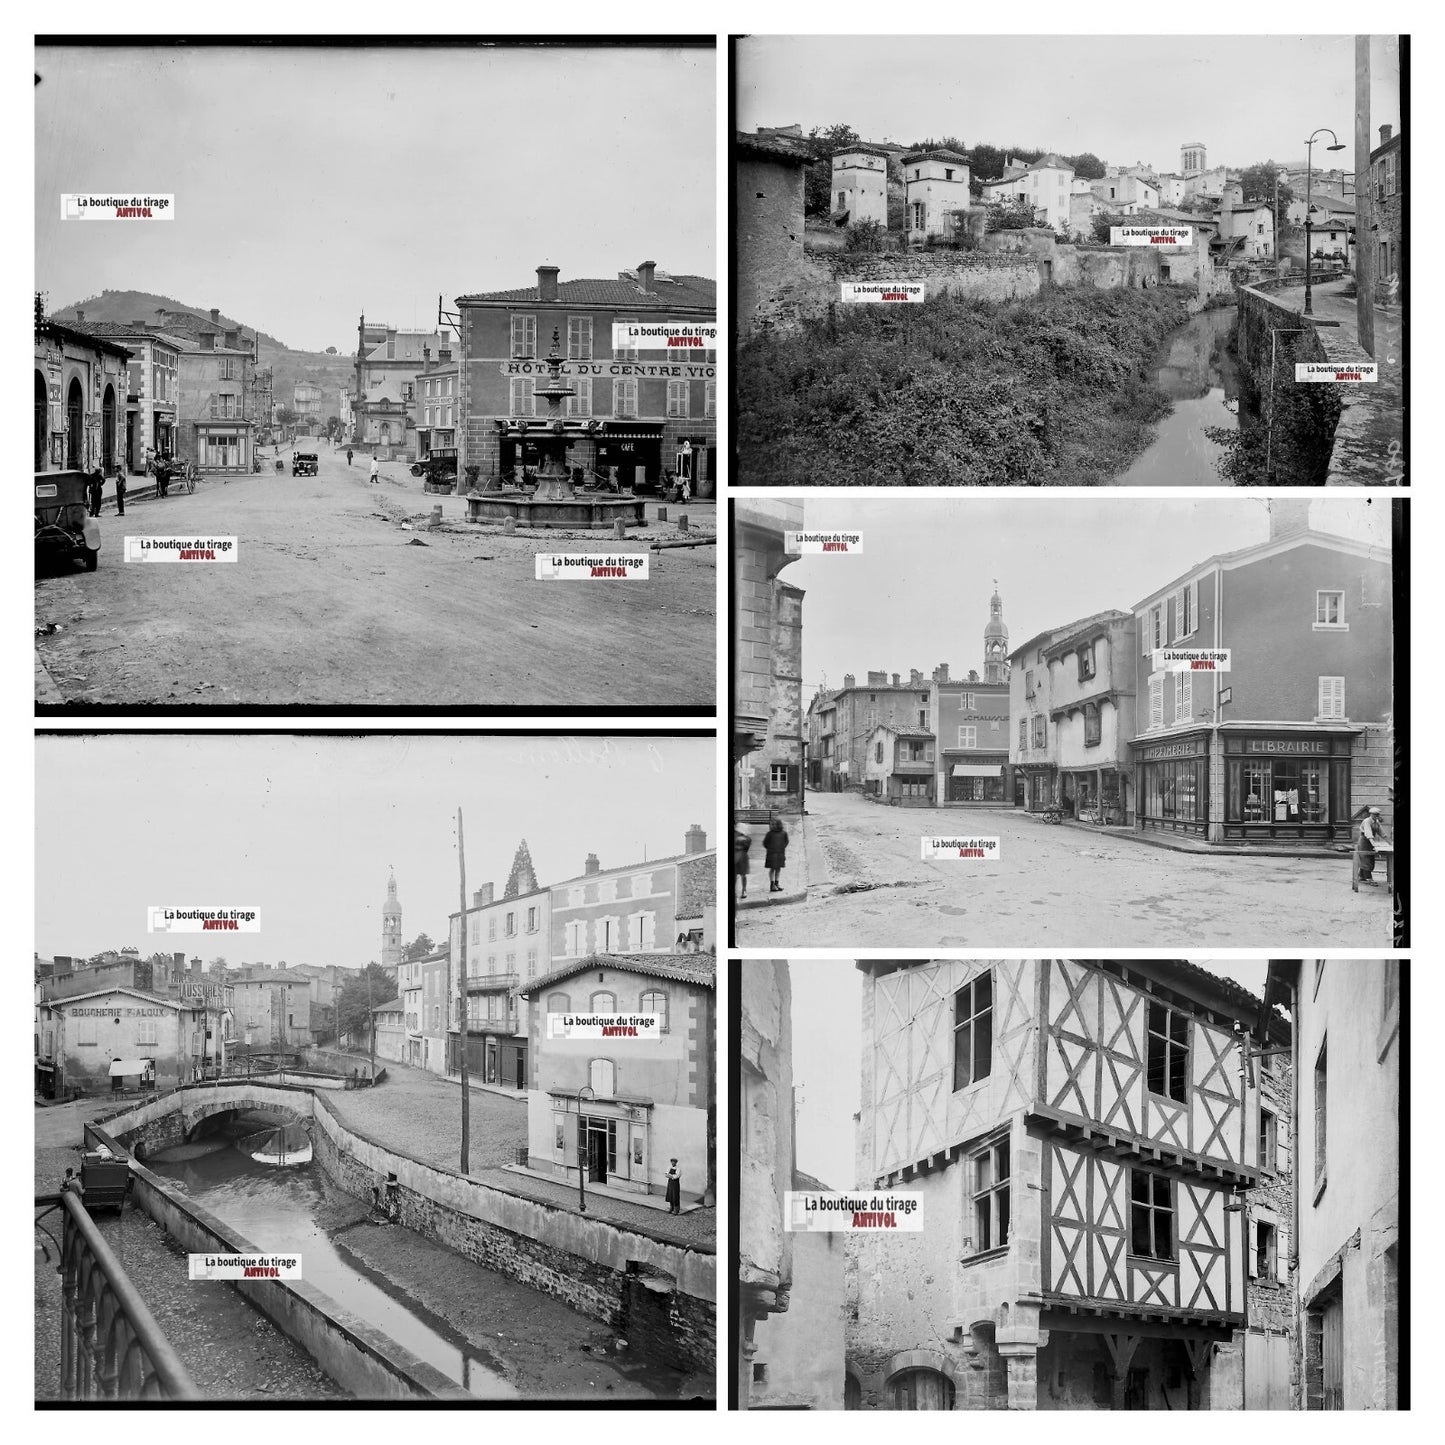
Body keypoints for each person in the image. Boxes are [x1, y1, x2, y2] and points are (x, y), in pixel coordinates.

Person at [1354, 805, 1389, 888]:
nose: (1377, 816)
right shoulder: (1367, 821)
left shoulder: (1376, 822)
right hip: (1364, 841)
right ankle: (1369, 878)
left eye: (1378, 815)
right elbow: (1368, 834)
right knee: (1366, 859)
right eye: (1375, 815)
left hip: (1370, 842)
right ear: (1371, 814)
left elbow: (1382, 834)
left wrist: (1390, 843)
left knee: (1370, 858)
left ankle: (1362, 876)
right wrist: (1374, 844)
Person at [763, 817, 789, 892]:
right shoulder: (769, 834)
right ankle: (772, 884)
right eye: (771, 824)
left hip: (780, 854)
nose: (772, 826)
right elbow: (765, 843)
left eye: (774, 824)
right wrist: (771, 849)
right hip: (772, 854)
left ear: (778, 824)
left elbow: (786, 842)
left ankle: (777, 883)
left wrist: (781, 848)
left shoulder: (784, 833)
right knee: (772, 869)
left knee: (778, 869)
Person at [733, 829, 752, 900]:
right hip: (735, 856)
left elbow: (748, 843)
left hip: (743, 857)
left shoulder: (745, 837)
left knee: (743, 875)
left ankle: (744, 890)